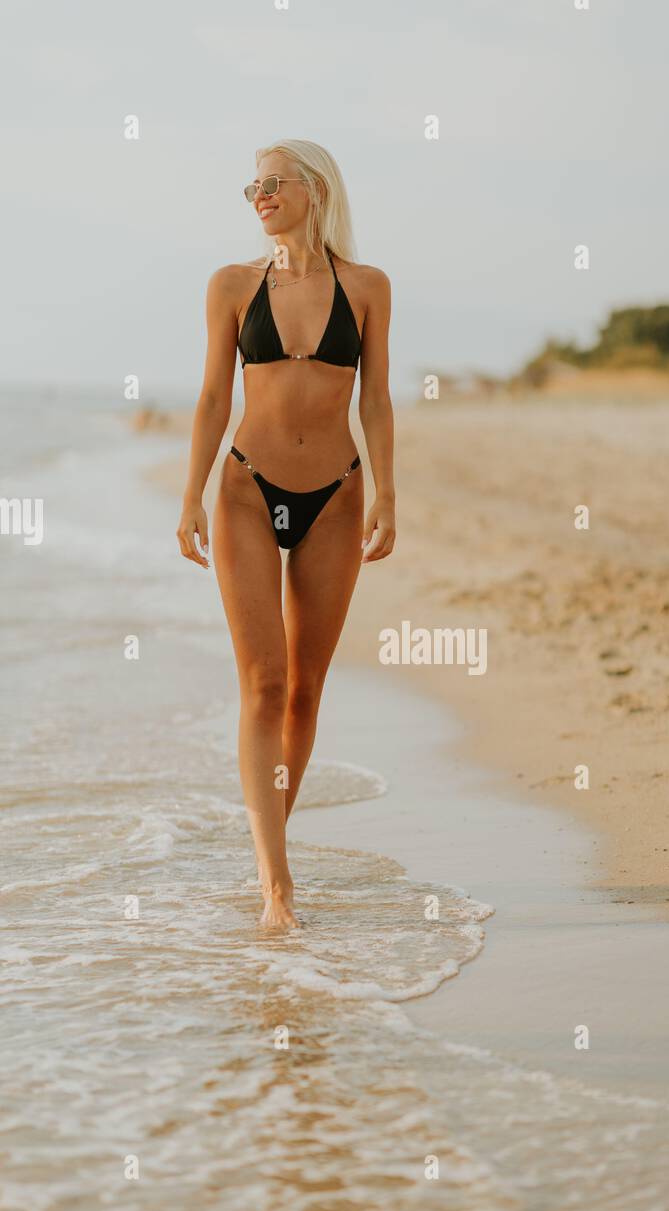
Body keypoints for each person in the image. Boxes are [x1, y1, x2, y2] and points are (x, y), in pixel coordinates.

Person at [176, 139, 395, 926]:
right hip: (244, 490)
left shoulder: (366, 288)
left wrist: (387, 494)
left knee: (305, 689)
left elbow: (376, 398)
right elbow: (210, 398)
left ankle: (269, 843)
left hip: (336, 495)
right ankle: (277, 884)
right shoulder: (233, 286)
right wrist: (190, 497)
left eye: (273, 183)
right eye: (252, 187)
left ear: (315, 189)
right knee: (264, 683)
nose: (260, 195)